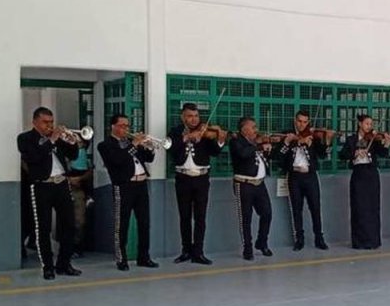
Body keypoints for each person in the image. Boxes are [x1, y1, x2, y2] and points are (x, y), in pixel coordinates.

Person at [16, 107, 82, 280]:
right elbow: (34, 158)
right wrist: (51, 140)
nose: (49, 125)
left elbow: (73, 156)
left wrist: (72, 142)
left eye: (51, 122)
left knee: (69, 225)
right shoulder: (25, 139)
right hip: (41, 186)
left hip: (61, 184)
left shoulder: (56, 138)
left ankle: (64, 264)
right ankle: (48, 266)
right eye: (45, 122)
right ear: (34, 122)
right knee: (43, 228)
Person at [97, 114, 158, 271]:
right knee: (122, 224)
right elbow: (118, 160)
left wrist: (149, 147)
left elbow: (148, 159)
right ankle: (121, 259)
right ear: (113, 127)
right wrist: (134, 145)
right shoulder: (105, 145)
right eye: (122, 126)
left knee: (144, 222)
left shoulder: (131, 143)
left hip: (141, 184)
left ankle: (144, 257)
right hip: (124, 186)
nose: (126, 129)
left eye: (127, 126)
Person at [168, 103, 226, 265]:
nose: (194, 119)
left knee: (200, 217)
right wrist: (187, 137)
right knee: (184, 216)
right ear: (183, 117)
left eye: (196, 116)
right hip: (182, 178)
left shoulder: (205, 131)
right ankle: (186, 250)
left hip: (201, 178)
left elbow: (215, 152)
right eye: (190, 116)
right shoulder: (175, 132)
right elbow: (170, 148)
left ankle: (198, 252)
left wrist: (220, 140)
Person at [279, 110, 332, 251]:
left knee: (315, 208)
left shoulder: (312, 136)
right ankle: (299, 239)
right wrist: (293, 142)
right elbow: (279, 156)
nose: (302, 125)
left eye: (304, 122)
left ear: (308, 122)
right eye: (299, 121)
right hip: (294, 176)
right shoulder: (288, 135)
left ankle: (319, 238)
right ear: (295, 121)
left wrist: (327, 141)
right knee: (296, 209)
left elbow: (323, 154)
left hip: (310, 176)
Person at [339, 115, 390, 249]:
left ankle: (373, 241)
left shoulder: (373, 139)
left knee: (373, 208)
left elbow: (383, 153)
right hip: (358, 174)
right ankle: (359, 242)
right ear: (360, 124)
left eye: (371, 124)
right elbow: (342, 155)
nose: (369, 127)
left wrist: (386, 143)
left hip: (371, 174)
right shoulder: (352, 139)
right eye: (367, 124)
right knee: (358, 208)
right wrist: (355, 153)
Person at [229, 117, 273, 260]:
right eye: (253, 127)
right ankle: (247, 248)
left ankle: (262, 242)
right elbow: (243, 154)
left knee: (267, 213)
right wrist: (258, 145)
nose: (256, 130)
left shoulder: (256, 142)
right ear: (244, 129)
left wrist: (267, 149)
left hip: (259, 183)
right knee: (246, 218)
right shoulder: (236, 141)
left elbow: (266, 159)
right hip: (244, 184)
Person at [67, 140, 93, 257]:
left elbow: (89, 171)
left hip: (79, 191)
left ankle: (77, 247)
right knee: (67, 221)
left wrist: (79, 179)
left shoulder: (84, 156)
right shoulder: (65, 152)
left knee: (79, 221)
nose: (79, 144)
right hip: (65, 189)